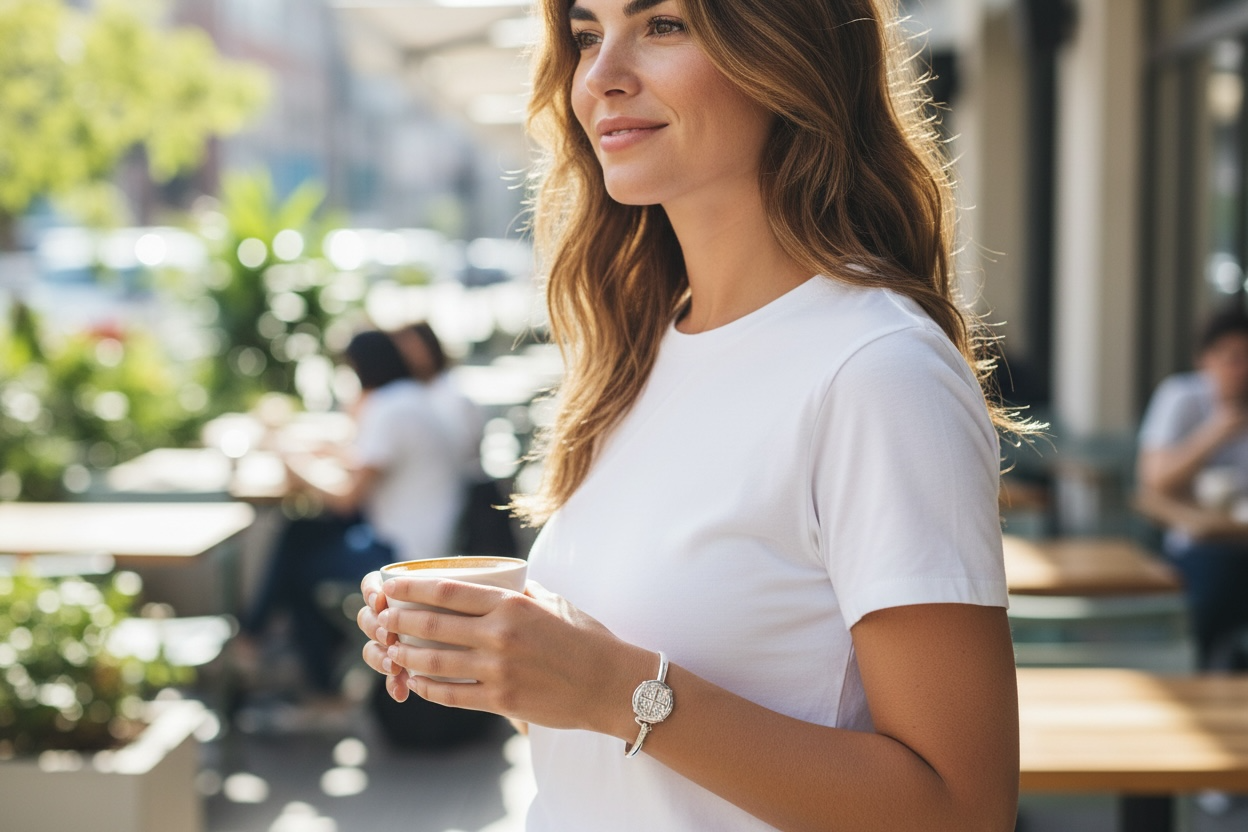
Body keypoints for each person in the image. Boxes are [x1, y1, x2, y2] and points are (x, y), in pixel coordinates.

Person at [356, 0, 1021, 829]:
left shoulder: (877, 372)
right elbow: (636, 732)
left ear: (789, 53)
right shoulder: (641, 351)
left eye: (663, 25)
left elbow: (961, 809)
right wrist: (510, 650)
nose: (600, 77)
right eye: (588, 34)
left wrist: (610, 688)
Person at [242, 330, 467, 696]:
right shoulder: (409, 399)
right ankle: (256, 638)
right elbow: (364, 459)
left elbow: (347, 497)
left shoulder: (390, 407)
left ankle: (316, 685)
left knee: (299, 566)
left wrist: (292, 461)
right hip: (421, 538)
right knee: (300, 534)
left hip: (404, 554)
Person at [1138, 304, 1248, 668]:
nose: (1241, 370)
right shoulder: (1182, 397)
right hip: (1198, 548)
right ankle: (1201, 671)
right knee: (1215, 580)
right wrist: (1216, 432)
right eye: (1232, 358)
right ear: (1205, 360)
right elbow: (1153, 482)